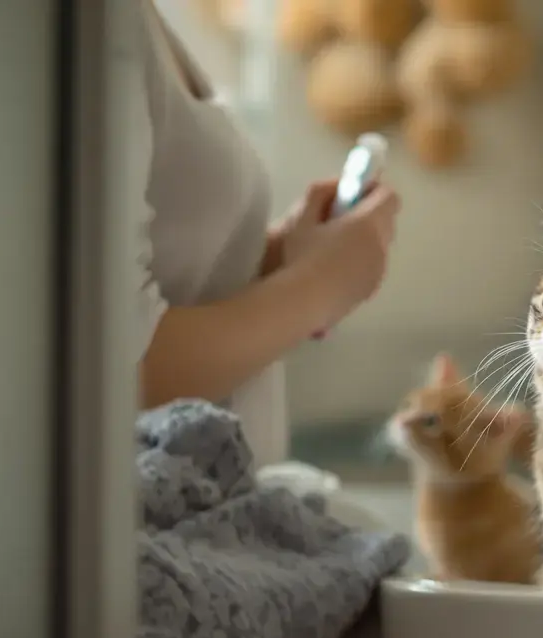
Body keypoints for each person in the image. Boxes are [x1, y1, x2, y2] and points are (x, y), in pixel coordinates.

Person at [124, 0, 400, 466]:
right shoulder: (87, 30)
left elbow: (161, 269)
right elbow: (123, 366)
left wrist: (280, 257)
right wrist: (321, 285)